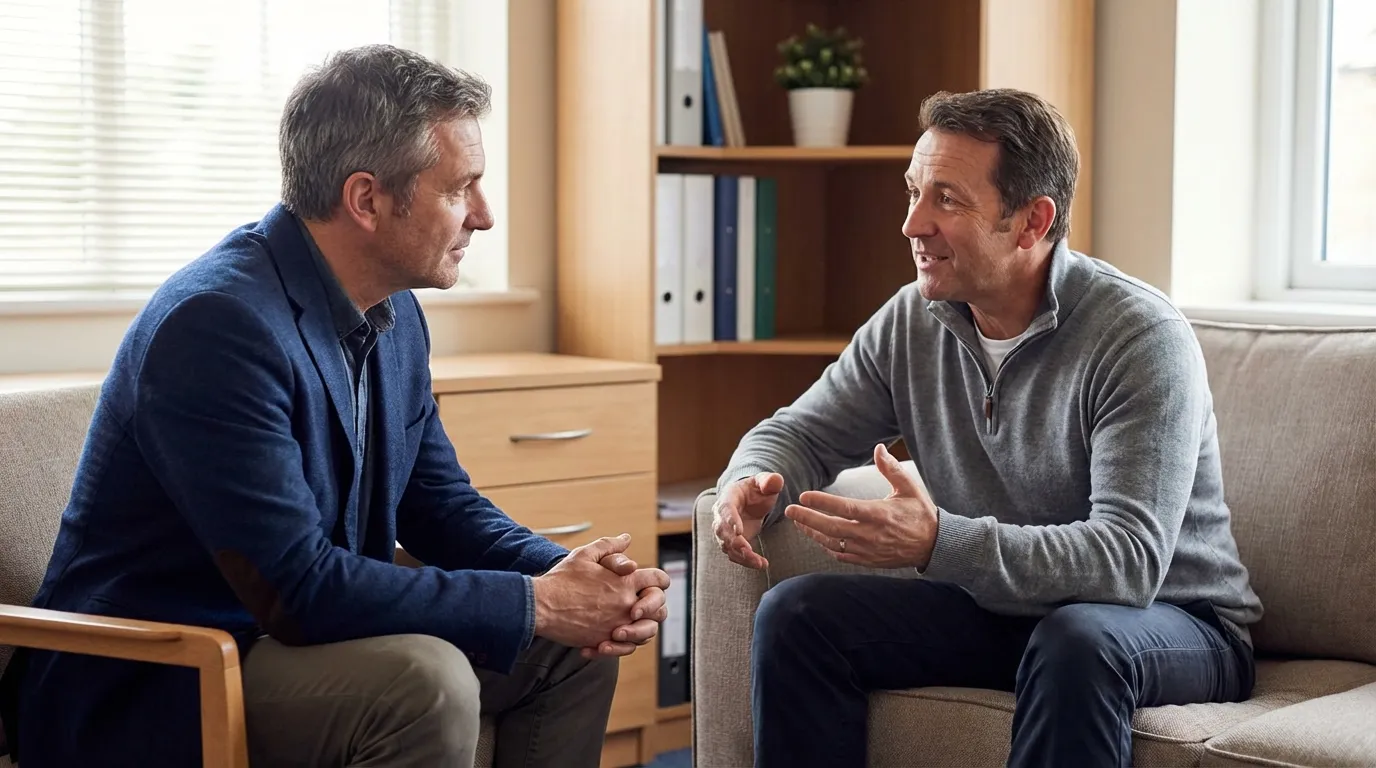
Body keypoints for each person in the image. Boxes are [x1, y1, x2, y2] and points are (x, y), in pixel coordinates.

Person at [0, 44, 667, 768]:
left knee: (567, 652)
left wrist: (580, 580)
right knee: (428, 681)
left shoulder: (394, 312)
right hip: (164, 673)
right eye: (459, 188)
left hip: (285, 643)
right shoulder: (216, 328)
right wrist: (538, 603)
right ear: (367, 199)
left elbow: (440, 506)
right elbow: (300, 589)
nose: (484, 215)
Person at [710, 88, 1263, 768]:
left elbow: (1126, 563)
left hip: (1178, 621)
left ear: (1032, 221)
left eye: (946, 199)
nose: (913, 224)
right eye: (913, 192)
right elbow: (802, 432)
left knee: (1078, 639)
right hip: (1010, 610)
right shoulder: (913, 321)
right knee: (798, 617)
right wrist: (752, 479)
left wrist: (941, 542)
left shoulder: (1138, 337)